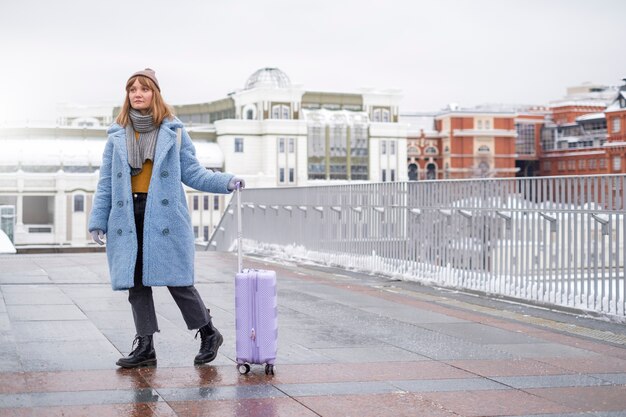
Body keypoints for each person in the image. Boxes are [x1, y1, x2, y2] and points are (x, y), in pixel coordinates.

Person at [88, 68, 245, 368]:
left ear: (155, 94)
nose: (137, 93)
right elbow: (106, 182)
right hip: (127, 214)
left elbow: (193, 172)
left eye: (144, 89)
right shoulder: (117, 136)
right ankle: (145, 346)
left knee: (177, 279)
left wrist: (226, 182)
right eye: (132, 89)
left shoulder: (173, 132)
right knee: (135, 283)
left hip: (164, 215)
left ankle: (208, 332)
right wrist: (98, 219)